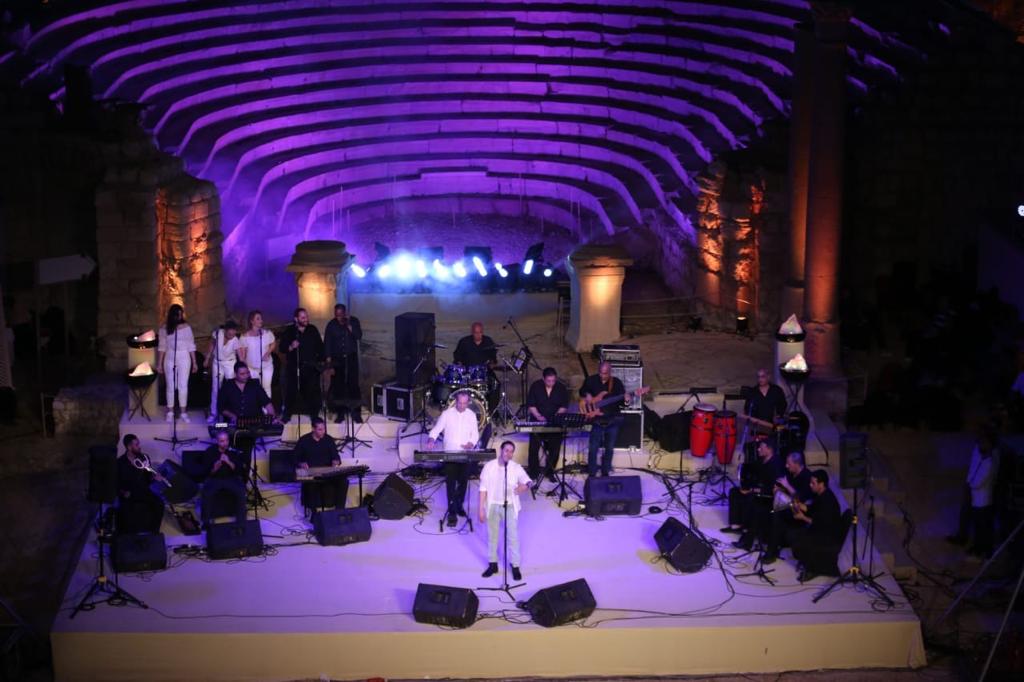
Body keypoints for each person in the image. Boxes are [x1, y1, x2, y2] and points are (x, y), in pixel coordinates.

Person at [478, 440, 532, 580]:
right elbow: (483, 489)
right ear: (501, 451)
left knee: (513, 537)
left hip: (510, 506)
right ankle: (493, 564)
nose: (509, 453)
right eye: (506, 450)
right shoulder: (489, 467)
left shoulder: (515, 467)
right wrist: (480, 509)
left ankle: (515, 565)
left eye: (511, 451)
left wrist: (525, 486)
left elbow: (528, 480)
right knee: (492, 536)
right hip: (492, 505)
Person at [426, 390, 481, 527]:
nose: (462, 406)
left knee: (463, 482)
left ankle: (459, 505)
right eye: (459, 403)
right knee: (451, 483)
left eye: (464, 403)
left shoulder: (471, 415)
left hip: (465, 453)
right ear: (456, 401)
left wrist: (471, 443)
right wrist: (431, 439)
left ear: (468, 402)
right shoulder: (447, 414)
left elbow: (475, 434)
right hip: (450, 453)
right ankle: (451, 511)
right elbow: (437, 429)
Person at [722, 439, 784, 550]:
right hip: (757, 489)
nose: (758, 449)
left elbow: (773, 488)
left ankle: (747, 540)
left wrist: (752, 490)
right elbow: (753, 470)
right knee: (734, 492)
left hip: (766, 496)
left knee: (750, 500)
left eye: (761, 447)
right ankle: (736, 525)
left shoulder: (776, 465)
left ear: (769, 449)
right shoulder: (762, 460)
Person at [947, 430, 999, 558]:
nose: (981, 444)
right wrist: (970, 482)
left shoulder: (990, 461)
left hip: (983, 499)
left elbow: (980, 481)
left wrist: (971, 483)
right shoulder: (982, 458)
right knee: (977, 523)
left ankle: (983, 549)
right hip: (977, 497)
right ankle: (976, 546)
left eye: (984, 442)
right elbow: (975, 472)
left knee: (983, 524)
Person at [788, 469, 844, 582]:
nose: (810, 485)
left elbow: (820, 524)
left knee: (797, 541)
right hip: (822, 529)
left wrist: (802, 517)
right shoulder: (821, 494)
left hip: (827, 535)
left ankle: (813, 569)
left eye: (813, 483)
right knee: (792, 534)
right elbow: (813, 509)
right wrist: (800, 505)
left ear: (821, 484)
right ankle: (808, 561)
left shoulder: (828, 500)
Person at [761, 451, 814, 564]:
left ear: (797, 464)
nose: (786, 466)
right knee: (767, 507)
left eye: (789, 464)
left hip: (800, 511)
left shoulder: (807, 477)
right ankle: (769, 540)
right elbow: (788, 492)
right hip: (790, 505)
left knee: (778, 515)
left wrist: (787, 486)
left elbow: (801, 498)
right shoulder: (791, 474)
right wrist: (780, 489)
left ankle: (772, 552)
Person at [580, 361, 628, 478]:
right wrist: (587, 394)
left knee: (609, 448)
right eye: (601, 373)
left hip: (612, 419)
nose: (602, 376)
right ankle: (592, 472)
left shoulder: (616, 383)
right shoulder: (591, 380)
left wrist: (627, 401)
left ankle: (605, 472)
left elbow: (623, 403)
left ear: (610, 372)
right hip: (596, 419)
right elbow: (581, 391)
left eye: (605, 373)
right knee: (593, 447)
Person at [278, 307, 324, 423]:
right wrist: (291, 346)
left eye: (306, 317)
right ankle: (287, 414)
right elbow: (282, 348)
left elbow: (320, 347)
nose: (306, 319)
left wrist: (321, 362)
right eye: (303, 317)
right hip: (294, 367)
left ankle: (314, 415)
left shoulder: (312, 329)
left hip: (310, 367)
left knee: (312, 391)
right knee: (291, 390)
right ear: (296, 319)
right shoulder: (290, 331)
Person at [526, 367, 570, 482]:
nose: (551, 383)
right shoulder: (536, 386)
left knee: (555, 448)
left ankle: (550, 472)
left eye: (553, 381)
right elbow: (531, 405)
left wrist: (556, 415)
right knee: (533, 447)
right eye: (548, 381)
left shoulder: (561, 388)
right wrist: (538, 416)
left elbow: (564, 406)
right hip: (538, 421)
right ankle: (533, 473)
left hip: (554, 422)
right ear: (543, 379)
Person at [116, 434, 167, 534]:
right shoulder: (120, 462)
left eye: (138, 444)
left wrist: (154, 477)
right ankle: (130, 534)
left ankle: (154, 532)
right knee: (126, 511)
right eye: (136, 445)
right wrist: (123, 492)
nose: (139, 447)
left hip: (144, 491)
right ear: (129, 447)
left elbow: (148, 477)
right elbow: (116, 482)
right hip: (129, 493)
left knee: (159, 504)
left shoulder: (144, 458)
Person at [293, 417, 345, 513]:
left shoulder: (328, 439)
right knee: (311, 484)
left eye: (324, 429)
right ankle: (314, 513)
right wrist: (301, 463)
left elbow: (336, 456)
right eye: (320, 429)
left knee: (343, 481)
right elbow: (294, 458)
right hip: (311, 472)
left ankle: (339, 510)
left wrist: (336, 461)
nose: (323, 432)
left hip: (327, 472)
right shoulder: (304, 440)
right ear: (313, 429)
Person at [156, 304, 197, 423]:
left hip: (183, 356)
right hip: (170, 356)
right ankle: (170, 411)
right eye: (177, 314)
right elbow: (162, 347)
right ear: (172, 315)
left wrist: (194, 362)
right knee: (170, 385)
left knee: (183, 385)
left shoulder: (186, 327)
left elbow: (191, 345)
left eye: (181, 314)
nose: (179, 317)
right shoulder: (164, 328)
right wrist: (159, 364)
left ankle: (183, 412)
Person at [324, 303, 363, 423]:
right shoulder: (331, 325)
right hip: (337, 359)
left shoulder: (354, 321)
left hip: (351, 358)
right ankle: (340, 412)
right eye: (336, 315)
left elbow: (359, 336)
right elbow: (327, 343)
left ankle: (356, 412)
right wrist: (329, 362)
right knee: (338, 385)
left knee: (353, 384)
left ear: (345, 313)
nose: (338, 317)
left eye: (340, 315)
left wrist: (350, 327)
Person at [200, 430, 249, 526]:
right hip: (215, 479)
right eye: (222, 441)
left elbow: (238, 470)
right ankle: (206, 522)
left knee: (241, 493)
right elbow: (207, 472)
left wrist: (228, 462)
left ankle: (241, 522)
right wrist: (215, 468)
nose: (225, 443)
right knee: (206, 494)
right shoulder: (210, 451)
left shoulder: (233, 451)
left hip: (231, 478)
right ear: (217, 441)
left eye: (226, 440)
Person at [453, 321, 499, 409]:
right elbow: (457, 357)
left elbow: (493, 359)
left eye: (480, 332)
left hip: (485, 373)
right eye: (476, 333)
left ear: (482, 332)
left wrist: (492, 363)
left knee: (496, 384)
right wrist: (460, 365)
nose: (478, 335)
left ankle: (492, 410)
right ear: (472, 332)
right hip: (468, 373)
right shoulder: (464, 342)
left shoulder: (488, 341)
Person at [205, 320, 240, 424]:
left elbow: (240, 354)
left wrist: (242, 368)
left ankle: (233, 414)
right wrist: (207, 358)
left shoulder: (235, 340)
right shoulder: (217, 333)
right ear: (225, 330)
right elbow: (212, 345)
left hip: (230, 363)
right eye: (230, 333)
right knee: (215, 388)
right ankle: (214, 413)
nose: (232, 335)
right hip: (217, 362)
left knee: (232, 388)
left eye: (233, 333)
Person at [239, 310, 275, 399]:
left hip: (266, 366)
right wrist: (245, 369)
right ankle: (256, 406)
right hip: (252, 368)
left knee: (266, 387)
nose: (261, 321)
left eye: (261, 319)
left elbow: (273, 343)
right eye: (258, 319)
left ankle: (266, 407)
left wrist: (268, 353)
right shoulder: (244, 336)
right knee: (254, 389)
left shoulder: (267, 333)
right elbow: (242, 356)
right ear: (252, 321)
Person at [743, 368, 787, 435]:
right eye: (758, 377)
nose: (760, 379)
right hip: (757, 428)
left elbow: (783, 405)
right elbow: (747, 408)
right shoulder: (752, 392)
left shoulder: (777, 390)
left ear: (768, 377)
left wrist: (778, 416)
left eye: (763, 376)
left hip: (773, 427)